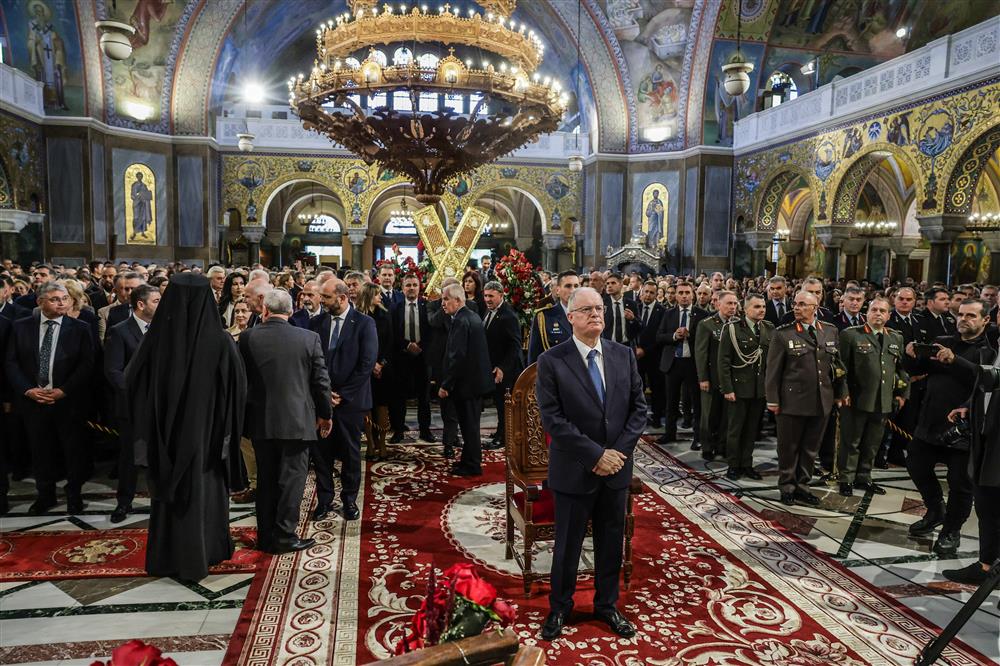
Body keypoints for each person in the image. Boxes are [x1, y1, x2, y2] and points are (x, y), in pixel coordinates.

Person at [535, 287, 646, 641]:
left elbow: (638, 410)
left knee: (611, 541)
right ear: (571, 317)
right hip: (575, 468)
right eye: (587, 310)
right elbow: (553, 419)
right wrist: (596, 455)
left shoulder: (622, 354)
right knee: (567, 544)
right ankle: (560, 607)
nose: (596, 315)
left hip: (616, 469)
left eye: (599, 308)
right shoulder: (552, 361)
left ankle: (607, 605)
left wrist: (617, 455)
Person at [125, 273, 247, 581]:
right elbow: (237, 391)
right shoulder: (221, 341)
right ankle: (208, 551)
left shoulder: (155, 340)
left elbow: (131, 383)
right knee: (204, 494)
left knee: (170, 497)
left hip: (166, 438)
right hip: (207, 438)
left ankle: (168, 556)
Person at [239, 289, 332, 554]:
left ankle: (266, 536)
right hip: (298, 422)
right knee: (291, 481)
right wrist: (326, 415)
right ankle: (285, 536)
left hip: (261, 421)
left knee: (266, 480)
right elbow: (321, 382)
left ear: (265, 311)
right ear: (291, 312)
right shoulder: (309, 338)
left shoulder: (247, 338)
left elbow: (241, 381)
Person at [903, 299, 990, 556]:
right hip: (931, 420)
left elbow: (982, 377)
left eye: (971, 315)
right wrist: (911, 355)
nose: (963, 319)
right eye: (961, 314)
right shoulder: (944, 340)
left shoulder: (988, 351)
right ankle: (934, 510)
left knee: (960, 483)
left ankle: (951, 531)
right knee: (916, 465)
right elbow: (918, 370)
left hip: (964, 428)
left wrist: (954, 361)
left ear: (985, 320)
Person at [5, 282, 96, 515]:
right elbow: (11, 362)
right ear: (40, 302)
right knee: (40, 451)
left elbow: (87, 365)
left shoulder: (81, 328)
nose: (62, 303)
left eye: (65, 298)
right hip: (33, 401)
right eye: (55, 299)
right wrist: (28, 390)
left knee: (72, 451)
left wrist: (63, 390)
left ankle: (74, 495)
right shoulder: (20, 327)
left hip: (68, 401)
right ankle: (45, 496)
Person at [765, 291, 847, 507]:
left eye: (803, 304)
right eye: (795, 303)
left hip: (822, 400)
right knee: (789, 447)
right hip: (792, 401)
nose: (797, 307)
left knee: (811, 448)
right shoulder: (784, 334)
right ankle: (787, 487)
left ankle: (803, 486)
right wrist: (772, 399)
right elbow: (772, 370)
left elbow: (837, 367)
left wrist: (840, 393)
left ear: (815, 307)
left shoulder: (829, 331)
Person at [310, 279, 377, 521]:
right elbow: (311, 362)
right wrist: (325, 394)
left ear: (342, 297)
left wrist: (342, 395)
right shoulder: (316, 323)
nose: (322, 302)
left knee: (350, 454)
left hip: (351, 402)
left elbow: (366, 364)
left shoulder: (364, 323)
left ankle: (349, 501)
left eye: (326, 297)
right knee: (321, 454)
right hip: (321, 400)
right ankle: (325, 500)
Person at [837, 296, 908, 497]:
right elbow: (841, 368)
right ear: (866, 313)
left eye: (882, 311)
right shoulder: (851, 335)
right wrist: (843, 393)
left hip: (883, 400)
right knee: (852, 442)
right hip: (857, 399)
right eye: (874, 310)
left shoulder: (896, 338)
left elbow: (900, 369)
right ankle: (846, 479)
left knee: (872, 443)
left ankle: (864, 477)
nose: (878, 314)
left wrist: (902, 393)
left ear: (889, 315)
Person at [104, 284, 160, 523]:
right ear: (141, 304)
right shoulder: (120, 331)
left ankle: (160, 500)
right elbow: (113, 371)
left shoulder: (162, 329)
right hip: (132, 407)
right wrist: (138, 396)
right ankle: (124, 502)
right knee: (129, 457)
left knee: (158, 456)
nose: (161, 305)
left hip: (160, 406)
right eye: (156, 301)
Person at [438, 283, 494, 476]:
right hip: (473, 383)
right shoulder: (471, 316)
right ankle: (467, 461)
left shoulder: (462, 320)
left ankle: (472, 465)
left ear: (458, 300)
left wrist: (446, 385)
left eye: (446, 299)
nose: (442, 303)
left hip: (467, 385)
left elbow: (457, 356)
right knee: (470, 425)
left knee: (469, 427)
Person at [718, 293, 772, 480]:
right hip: (738, 388)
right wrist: (727, 389)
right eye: (757, 307)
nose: (761, 310)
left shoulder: (768, 328)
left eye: (763, 306)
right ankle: (733, 465)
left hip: (758, 389)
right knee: (735, 430)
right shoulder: (733, 329)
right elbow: (723, 361)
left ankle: (747, 464)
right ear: (746, 309)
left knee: (751, 430)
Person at [656, 281, 708, 448]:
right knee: (671, 401)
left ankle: (698, 437)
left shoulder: (702, 314)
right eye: (681, 293)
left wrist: (689, 335)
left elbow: (706, 340)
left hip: (693, 364)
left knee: (697, 403)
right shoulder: (668, 313)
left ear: (692, 294)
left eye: (687, 292)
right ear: (676, 295)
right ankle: (669, 433)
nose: (684, 296)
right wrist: (673, 336)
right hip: (673, 362)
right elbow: (659, 336)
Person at [389, 273, 434, 443]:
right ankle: (398, 431)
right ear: (402, 287)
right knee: (399, 397)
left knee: (424, 397)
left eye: (415, 285)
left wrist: (421, 346)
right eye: (408, 285)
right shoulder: (395, 307)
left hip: (423, 358)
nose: (412, 288)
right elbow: (392, 332)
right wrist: (407, 345)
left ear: (419, 287)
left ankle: (425, 430)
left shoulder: (426, 306)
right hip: (401, 358)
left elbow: (432, 332)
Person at [694, 290, 738, 461]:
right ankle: (707, 446)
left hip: (729, 379)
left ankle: (721, 445)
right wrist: (702, 377)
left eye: (735, 303)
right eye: (729, 303)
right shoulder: (707, 324)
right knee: (709, 415)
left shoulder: (737, 324)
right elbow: (701, 353)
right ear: (718, 304)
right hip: (711, 378)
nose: (732, 307)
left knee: (726, 415)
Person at [482, 280, 524, 449]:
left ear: (501, 296)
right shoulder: (490, 311)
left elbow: (515, 346)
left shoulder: (508, 316)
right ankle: (501, 431)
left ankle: (503, 437)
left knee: (503, 404)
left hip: (507, 369)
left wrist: (502, 368)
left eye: (491, 296)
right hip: (495, 366)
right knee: (499, 402)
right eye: (485, 296)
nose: (487, 299)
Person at [356, 283, 394, 461]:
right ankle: (370, 442)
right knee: (367, 406)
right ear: (368, 296)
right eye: (377, 294)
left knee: (382, 405)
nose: (381, 297)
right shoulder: (357, 317)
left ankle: (383, 443)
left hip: (383, 368)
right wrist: (370, 365)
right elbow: (356, 344)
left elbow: (389, 342)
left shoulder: (385, 315)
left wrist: (381, 363)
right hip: (364, 370)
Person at [527, 271, 579, 364]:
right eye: (568, 286)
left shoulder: (589, 314)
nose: (573, 290)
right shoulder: (545, 316)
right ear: (558, 290)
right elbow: (535, 355)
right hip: (556, 373)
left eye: (576, 286)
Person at [634, 281, 666, 427]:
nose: (648, 295)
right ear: (641, 292)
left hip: (654, 356)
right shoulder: (635, 308)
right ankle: (638, 417)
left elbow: (660, 337)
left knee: (657, 388)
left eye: (651, 292)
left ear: (656, 294)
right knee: (636, 388)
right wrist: (636, 348)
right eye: (646, 291)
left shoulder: (662, 311)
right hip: (636, 356)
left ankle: (657, 417)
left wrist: (645, 350)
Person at [602, 272, 639, 345]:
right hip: (607, 345)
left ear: (621, 284)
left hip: (627, 345)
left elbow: (640, 327)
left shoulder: (632, 304)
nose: (609, 286)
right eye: (608, 283)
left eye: (613, 283)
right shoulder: (602, 304)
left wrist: (633, 319)